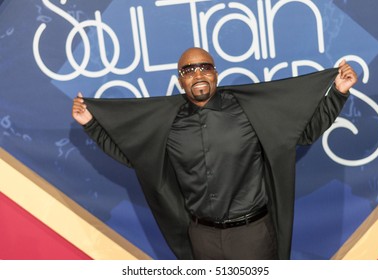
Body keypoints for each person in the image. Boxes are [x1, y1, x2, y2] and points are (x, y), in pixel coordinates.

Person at [72, 47, 357, 260]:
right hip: (202, 238)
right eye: (189, 70)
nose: (197, 74)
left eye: (205, 67)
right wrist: (91, 124)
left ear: (215, 74)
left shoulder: (249, 110)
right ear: (180, 80)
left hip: (253, 236)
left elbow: (302, 133)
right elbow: (136, 158)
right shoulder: (167, 124)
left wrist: (337, 94)